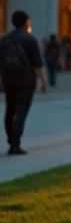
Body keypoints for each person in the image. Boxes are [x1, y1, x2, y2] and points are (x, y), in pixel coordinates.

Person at [1, 11, 49, 155]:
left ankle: (11, 140)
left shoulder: (4, 39)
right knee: (21, 111)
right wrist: (43, 82)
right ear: (26, 22)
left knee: (10, 110)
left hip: (8, 79)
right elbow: (37, 65)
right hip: (26, 80)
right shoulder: (30, 40)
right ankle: (15, 144)